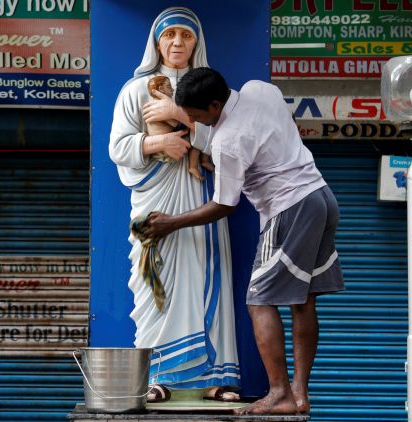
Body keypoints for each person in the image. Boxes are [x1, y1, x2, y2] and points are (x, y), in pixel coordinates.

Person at [144, 67, 345, 415]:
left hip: (289, 208)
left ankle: (280, 393)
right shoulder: (259, 89)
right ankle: (298, 395)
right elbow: (262, 135)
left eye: (194, 116)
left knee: (259, 300)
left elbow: (224, 204)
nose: (192, 122)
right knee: (304, 301)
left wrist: (171, 224)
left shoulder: (228, 142)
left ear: (215, 104)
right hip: (322, 198)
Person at [108, 8, 240, 403]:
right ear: (157, 42)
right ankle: (157, 376)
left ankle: (214, 379)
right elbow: (118, 147)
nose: (178, 43)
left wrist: (175, 114)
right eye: (170, 36)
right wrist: (157, 143)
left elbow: (230, 143)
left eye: (186, 36)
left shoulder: (211, 88)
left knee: (206, 279)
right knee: (157, 281)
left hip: (201, 199)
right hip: (155, 197)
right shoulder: (135, 90)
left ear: (197, 42)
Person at [146, 75, 215, 181]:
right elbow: (174, 124)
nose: (172, 89)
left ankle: (203, 161)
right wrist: (177, 113)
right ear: (160, 89)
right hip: (165, 151)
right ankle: (195, 165)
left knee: (199, 132)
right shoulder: (160, 106)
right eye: (169, 87)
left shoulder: (152, 104)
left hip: (163, 145)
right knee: (197, 137)